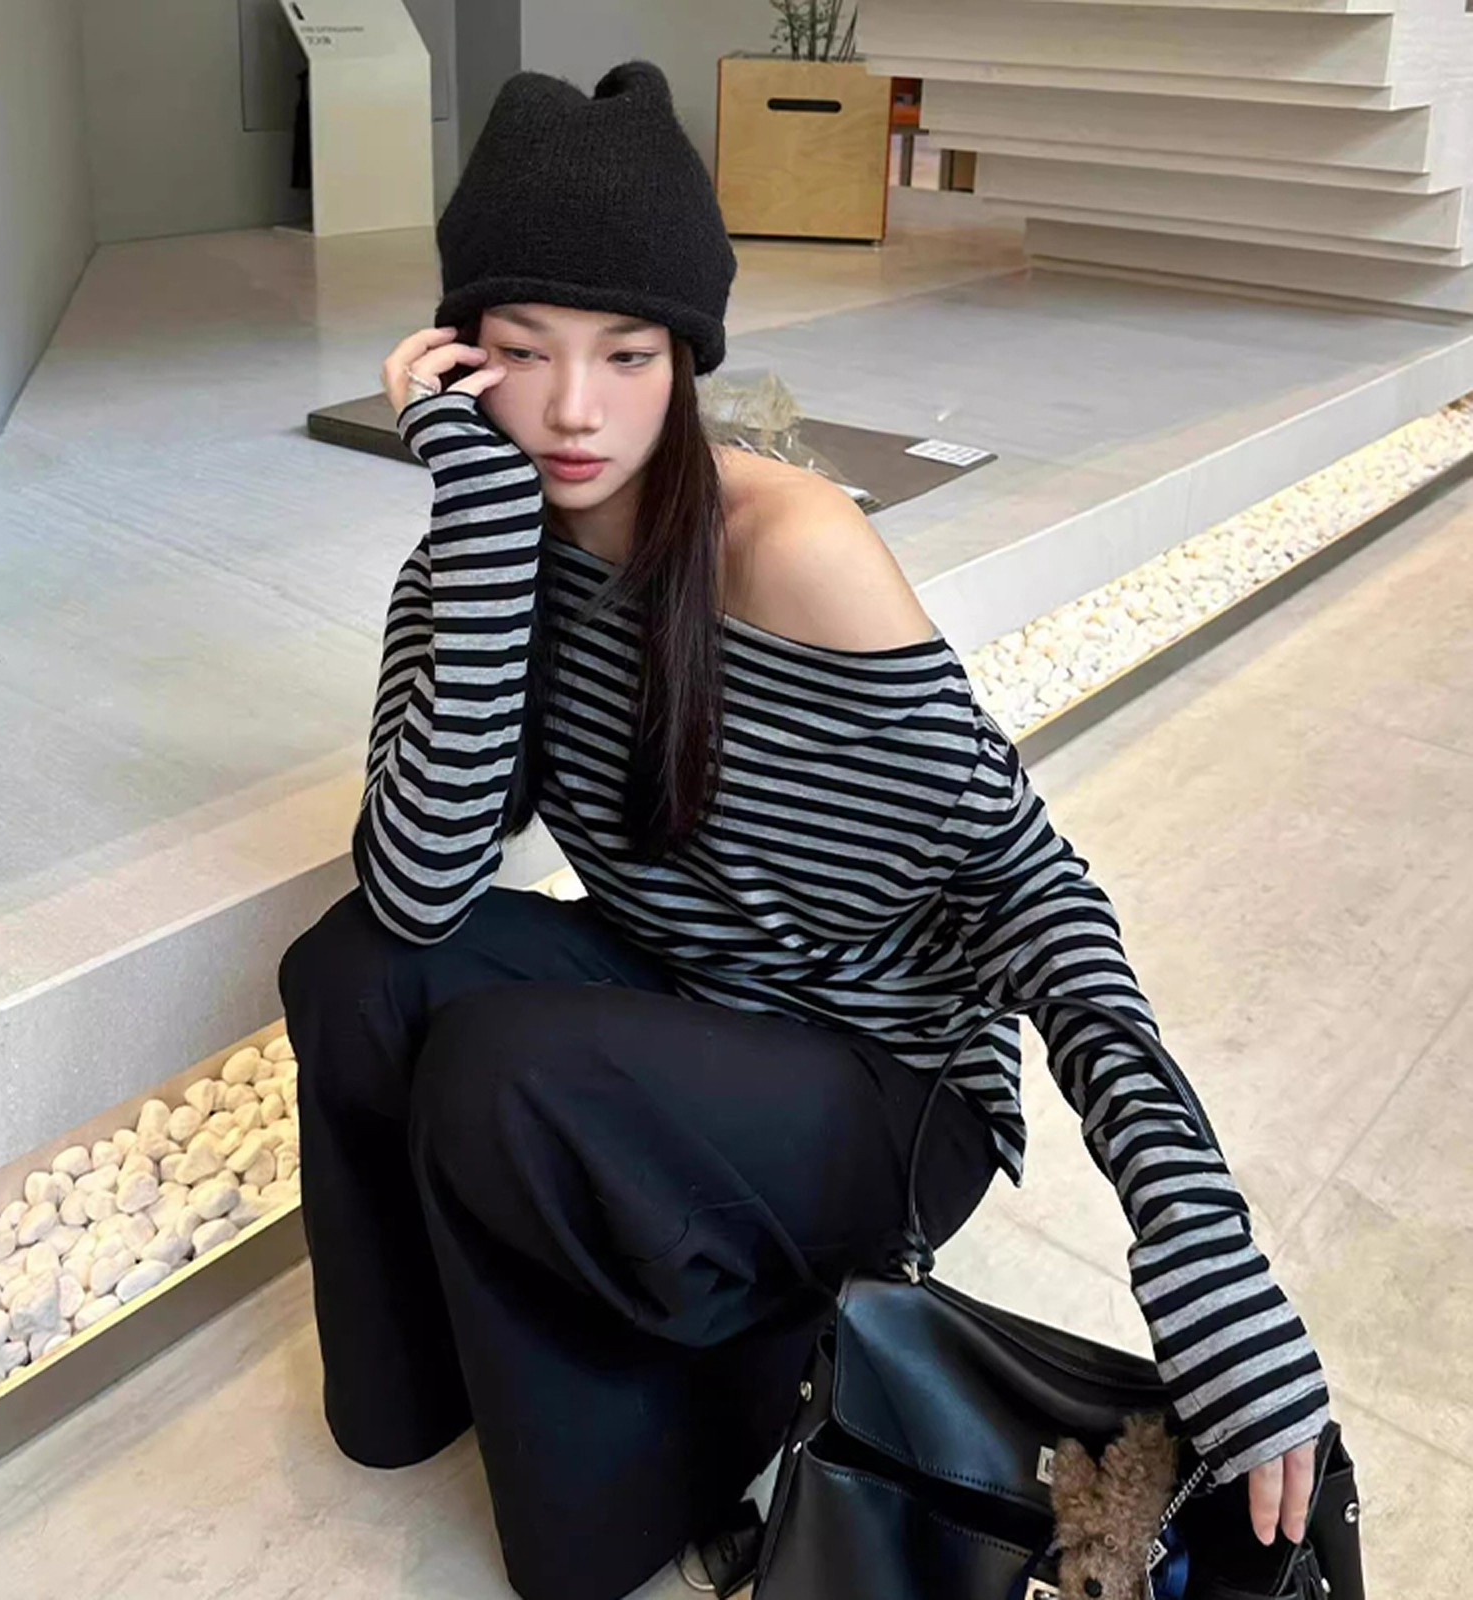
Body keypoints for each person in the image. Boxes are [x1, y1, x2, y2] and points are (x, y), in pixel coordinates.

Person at [276, 58, 1331, 1600]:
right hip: (681, 1010)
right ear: (452, 360)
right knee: (353, 973)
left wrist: (1199, 1245)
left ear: (686, 359)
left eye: (627, 353)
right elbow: (421, 888)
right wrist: (486, 543)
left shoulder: (790, 551)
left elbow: (1034, 888)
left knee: (506, 1072)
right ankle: (419, 1386)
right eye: (520, 351)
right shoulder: (477, 556)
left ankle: (735, 1379)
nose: (572, 408)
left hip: (883, 1088)